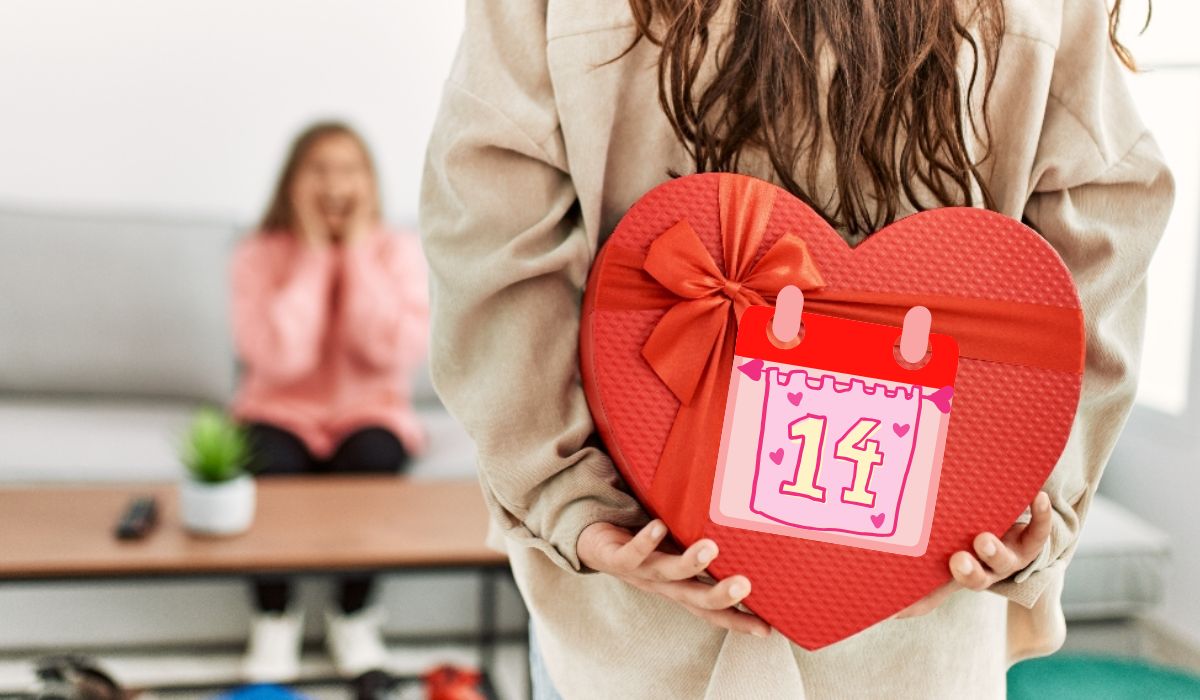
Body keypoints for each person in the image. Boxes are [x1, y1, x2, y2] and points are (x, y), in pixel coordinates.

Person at [419, 0, 1174, 697]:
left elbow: (488, 222)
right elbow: (1109, 213)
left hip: (638, 625)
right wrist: (1032, 506)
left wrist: (572, 499)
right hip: (911, 638)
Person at [230, 122, 429, 682]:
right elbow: (279, 359)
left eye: (348, 169)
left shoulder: (397, 251)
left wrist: (358, 254)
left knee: (375, 455)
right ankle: (273, 619)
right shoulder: (257, 254)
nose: (334, 183)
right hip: (280, 409)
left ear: (369, 182)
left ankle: (354, 616)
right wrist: (314, 256)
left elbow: (389, 350)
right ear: (292, 182)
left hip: (369, 410)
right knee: (266, 461)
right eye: (318, 169)